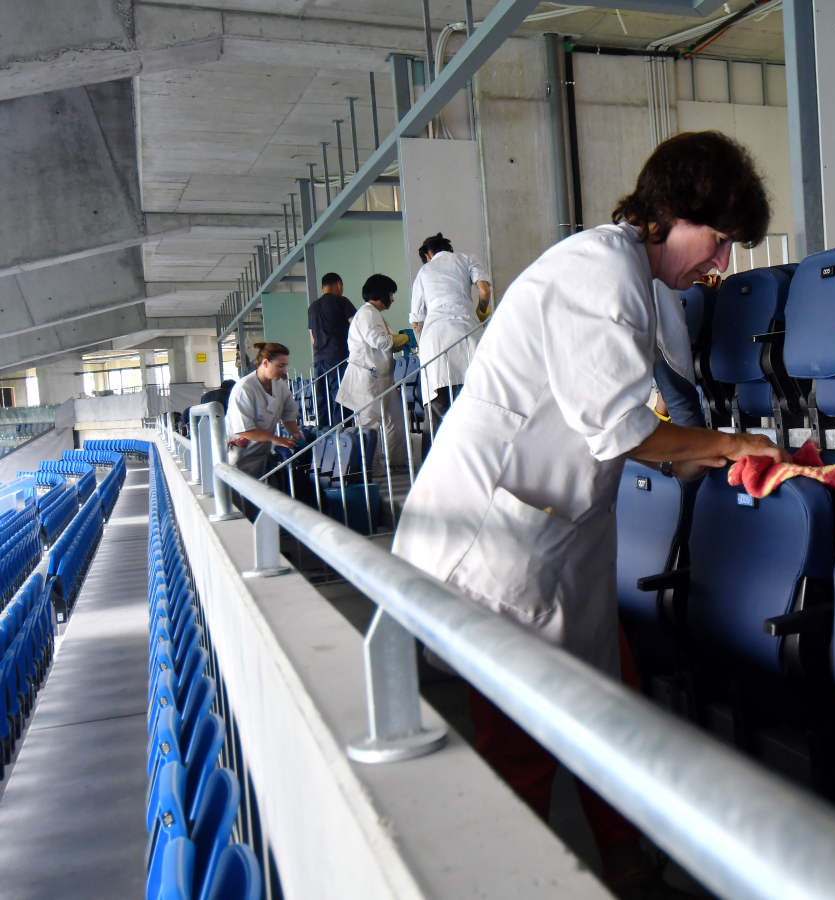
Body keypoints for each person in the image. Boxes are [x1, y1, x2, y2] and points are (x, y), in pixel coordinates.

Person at [390, 131, 786, 889]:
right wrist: (731, 445)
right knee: (524, 743)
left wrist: (724, 453)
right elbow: (623, 428)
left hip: (556, 537)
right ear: (670, 212)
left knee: (613, 712)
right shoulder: (599, 270)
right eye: (719, 240)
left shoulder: (631, 279)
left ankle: (626, 866)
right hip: (500, 542)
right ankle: (531, 880)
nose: (720, 265)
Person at [408, 233, 491, 446]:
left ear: (428, 254)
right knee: (473, 406)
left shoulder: (424, 271)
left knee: (436, 413)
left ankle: (431, 472)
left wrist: (422, 346)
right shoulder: (466, 259)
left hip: (435, 341)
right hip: (467, 334)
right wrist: (481, 311)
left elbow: (416, 320)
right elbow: (484, 290)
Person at [335, 274, 410, 472]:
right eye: (391, 294)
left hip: (383, 377)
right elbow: (380, 341)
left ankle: (397, 463)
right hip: (367, 378)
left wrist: (396, 340)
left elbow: (383, 342)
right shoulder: (367, 313)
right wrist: (403, 338)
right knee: (369, 426)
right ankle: (369, 469)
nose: (393, 299)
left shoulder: (374, 314)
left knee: (394, 420)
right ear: (381, 293)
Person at [223, 343, 301, 478]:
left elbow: (288, 415)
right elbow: (244, 430)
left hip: (262, 453)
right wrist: (276, 439)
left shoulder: (280, 386)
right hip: (239, 456)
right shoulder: (244, 388)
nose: (284, 371)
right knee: (240, 495)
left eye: (285, 366)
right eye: (280, 366)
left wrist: (295, 433)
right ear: (265, 363)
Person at [308, 272, 357, 430]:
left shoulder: (312, 307)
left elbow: (313, 337)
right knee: (341, 399)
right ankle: (343, 436)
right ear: (338, 285)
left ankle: (324, 438)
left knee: (323, 402)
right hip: (338, 358)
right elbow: (356, 326)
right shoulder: (342, 302)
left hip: (318, 360)